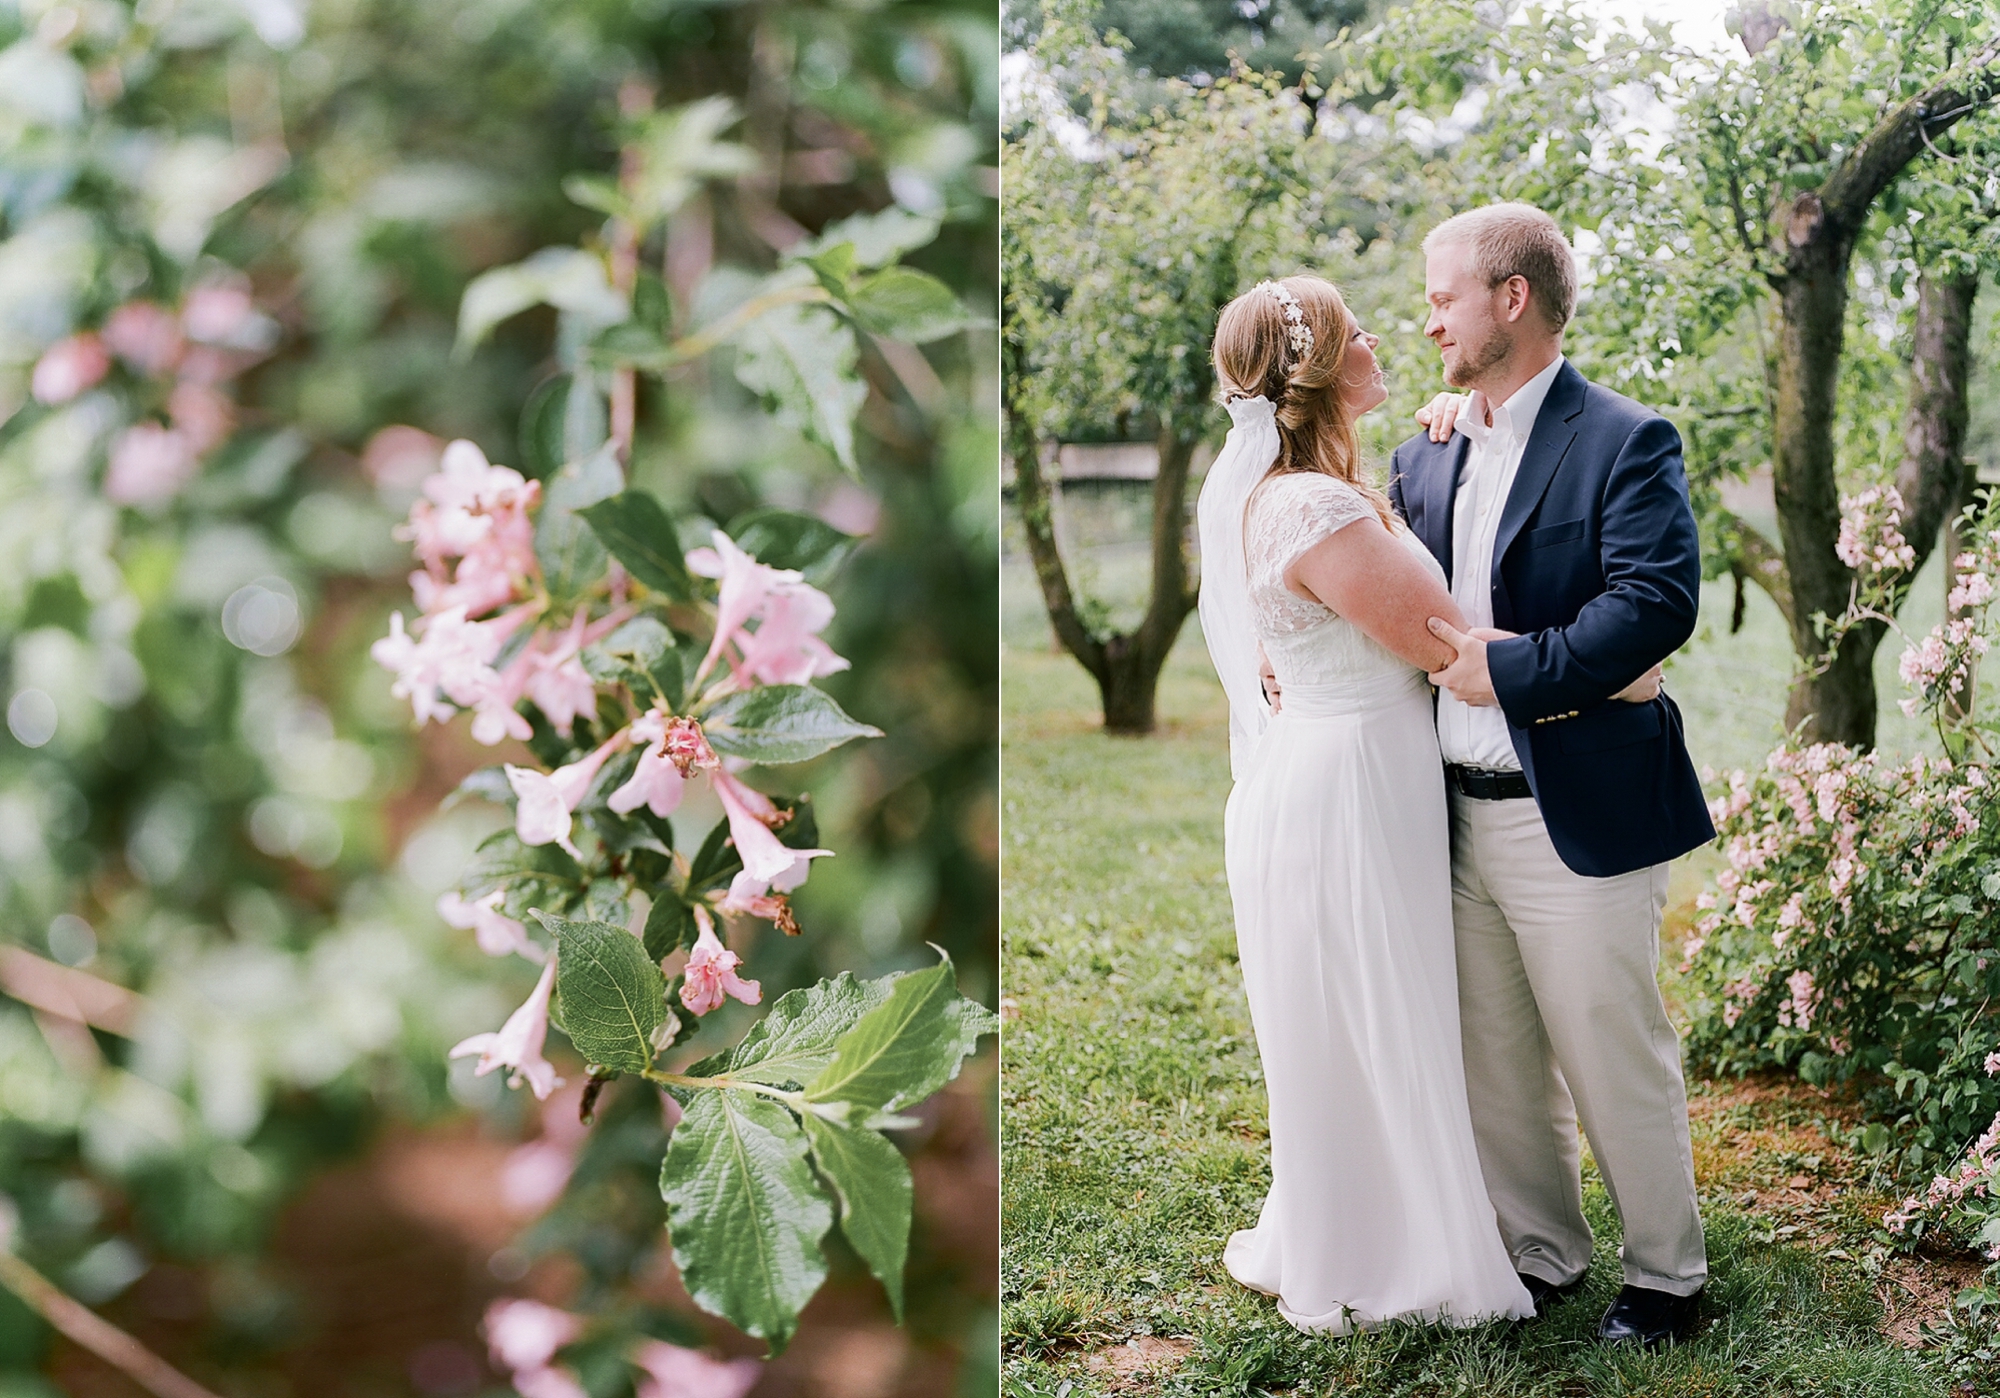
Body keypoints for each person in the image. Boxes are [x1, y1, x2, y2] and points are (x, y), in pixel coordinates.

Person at [1390, 203, 1716, 1348]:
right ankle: (1538, 1253)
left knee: (1607, 1045)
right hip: (1449, 817)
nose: (1424, 317)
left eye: (1441, 296)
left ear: (1509, 298)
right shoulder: (1424, 446)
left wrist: (1516, 670)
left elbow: (1652, 603)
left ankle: (1667, 1280)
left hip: (1571, 807)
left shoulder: (1624, 438)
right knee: (1493, 1055)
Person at [1196, 274, 1536, 1333]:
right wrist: (1608, 668)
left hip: (1350, 770)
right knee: (1366, 1016)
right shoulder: (1311, 507)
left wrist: (1452, 425)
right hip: (1342, 791)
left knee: (1368, 1015)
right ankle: (1391, 1258)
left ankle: (1368, 1230)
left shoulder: (1321, 490)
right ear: (1315, 367)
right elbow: (1443, 648)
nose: (1381, 336)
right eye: (1356, 331)